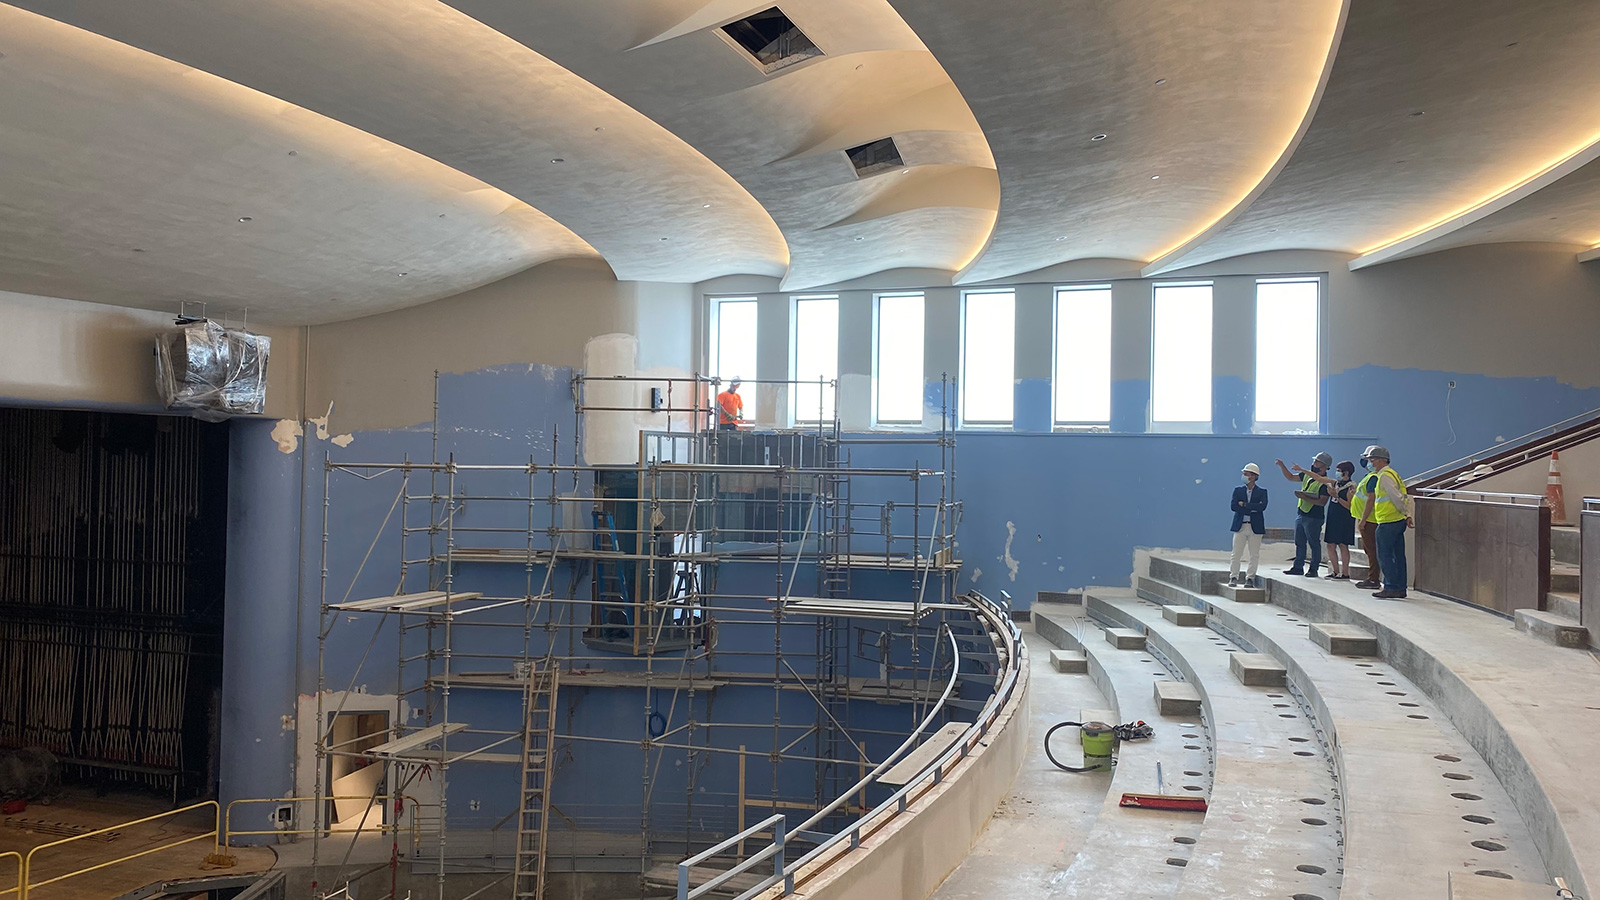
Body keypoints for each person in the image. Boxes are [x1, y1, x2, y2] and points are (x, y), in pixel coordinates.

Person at [1361, 445, 1412, 599]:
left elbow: (1396, 497)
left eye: (1372, 459)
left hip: (1389, 521)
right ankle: (1400, 588)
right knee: (1398, 556)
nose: (1370, 463)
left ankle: (1391, 587)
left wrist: (1406, 513)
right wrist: (1407, 514)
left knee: (1385, 555)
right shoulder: (1393, 474)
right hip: (1396, 520)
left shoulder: (1384, 476)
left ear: (1382, 460)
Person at [1275, 453, 1331, 577]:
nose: (1314, 464)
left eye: (1317, 462)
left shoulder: (1325, 483)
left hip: (1314, 517)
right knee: (1299, 542)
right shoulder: (1307, 476)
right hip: (1301, 513)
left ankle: (1313, 569)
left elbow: (1322, 502)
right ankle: (1298, 567)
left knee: (1313, 543)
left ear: (1325, 466)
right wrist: (1282, 466)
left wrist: (1304, 497)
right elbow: (1290, 477)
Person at [1228, 463, 1268, 588]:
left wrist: (1245, 505)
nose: (1244, 476)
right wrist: (1252, 509)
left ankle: (1250, 578)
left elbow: (1262, 507)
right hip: (1240, 525)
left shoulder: (1262, 492)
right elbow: (1234, 506)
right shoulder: (1238, 490)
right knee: (1236, 553)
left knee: (1254, 554)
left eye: (1247, 474)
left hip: (1255, 526)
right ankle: (1233, 576)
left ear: (1254, 476)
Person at [1349, 446, 1384, 590]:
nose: (1366, 462)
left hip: (1370, 519)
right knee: (1368, 549)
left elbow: (1371, 499)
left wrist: (1363, 520)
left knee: (1372, 550)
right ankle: (1372, 577)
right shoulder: (1369, 477)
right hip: (1364, 517)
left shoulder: (1374, 477)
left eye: (1368, 459)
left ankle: (1373, 579)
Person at [1321, 461, 1357, 579]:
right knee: (1330, 544)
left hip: (1344, 518)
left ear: (1346, 472)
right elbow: (1319, 478)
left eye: (1338, 471)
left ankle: (1345, 572)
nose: (1336, 473)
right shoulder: (1336, 484)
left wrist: (1336, 496)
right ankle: (1335, 571)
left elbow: (1349, 506)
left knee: (1343, 545)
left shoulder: (1351, 486)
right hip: (1333, 516)